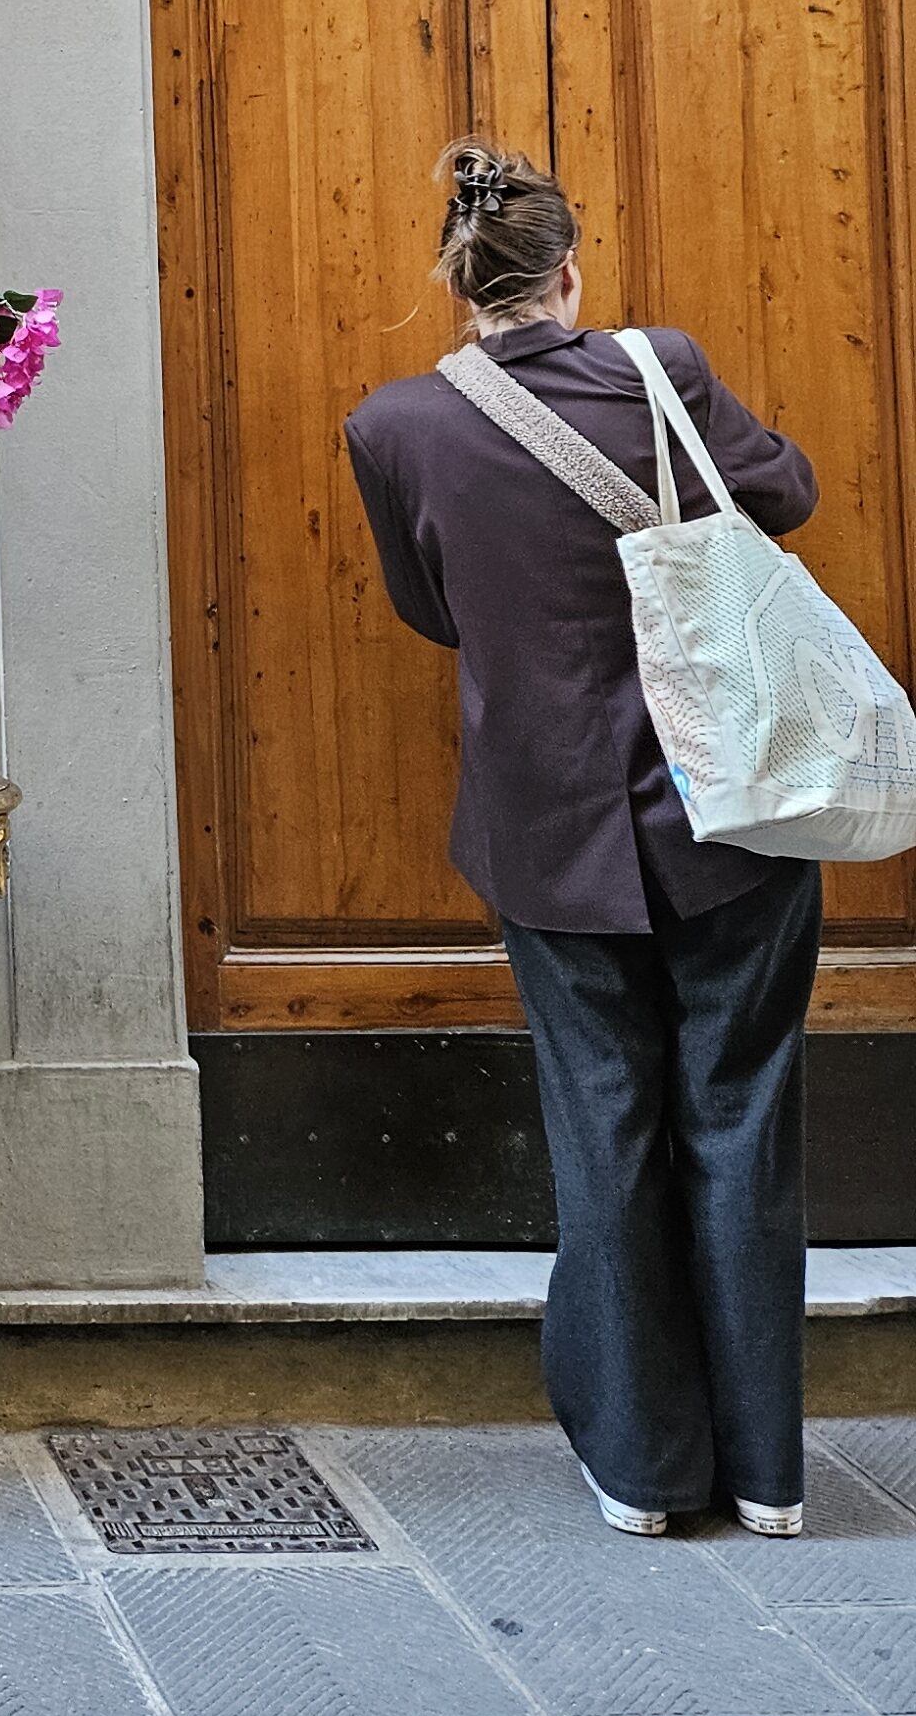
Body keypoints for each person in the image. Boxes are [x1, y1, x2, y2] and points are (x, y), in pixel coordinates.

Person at [344, 143, 821, 1539]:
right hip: (728, 807)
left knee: (603, 1127)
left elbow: (431, 609)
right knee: (743, 1116)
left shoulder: (394, 427)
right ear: (569, 272)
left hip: (547, 826)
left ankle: (644, 1473)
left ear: (455, 281)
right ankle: (769, 1478)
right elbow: (782, 493)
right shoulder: (660, 368)